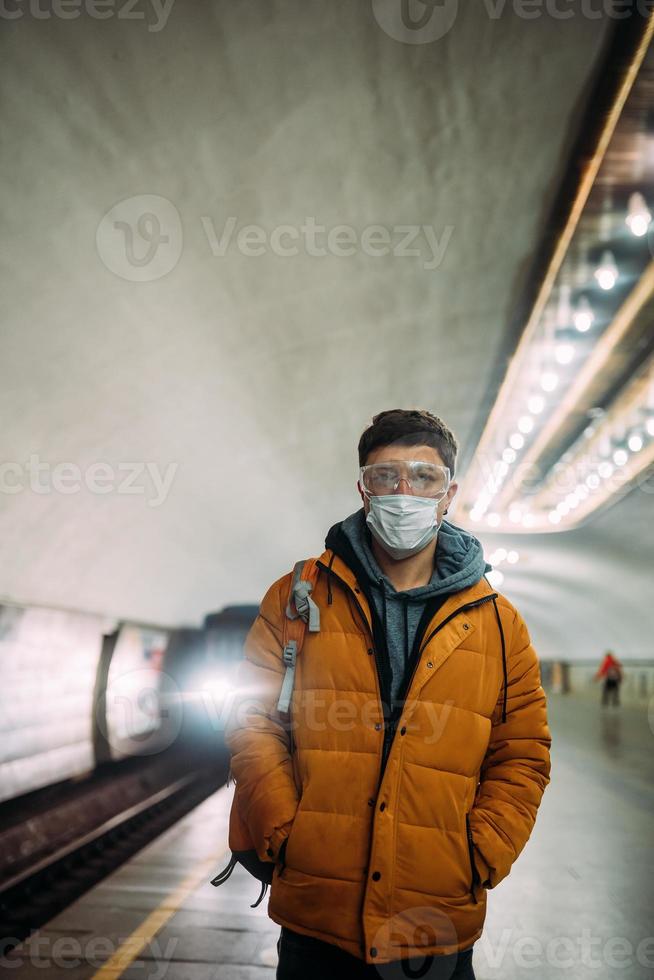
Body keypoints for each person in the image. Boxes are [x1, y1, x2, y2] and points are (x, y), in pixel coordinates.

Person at [224, 409, 552, 979]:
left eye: (424, 478)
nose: (405, 493)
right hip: (316, 913)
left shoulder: (499, 624)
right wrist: (284, 831)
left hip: (436, 913)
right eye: (386, 477)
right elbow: (252, 721)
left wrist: (479, 855)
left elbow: (522, 752)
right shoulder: (297, 596)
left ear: (449, 494)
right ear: (363, 489)